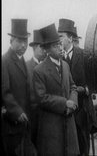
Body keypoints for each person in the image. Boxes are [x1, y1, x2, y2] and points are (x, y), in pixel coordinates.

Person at [33, 23, 83, 156]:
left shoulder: (65, 66)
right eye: (56, 46)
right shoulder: (39, 70)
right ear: (48, 50)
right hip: (52, 126)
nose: (60, 48)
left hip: (69, 122)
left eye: (60, 44)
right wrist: (64, 103)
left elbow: (73, 86)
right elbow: (41, 97)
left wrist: (73, 102)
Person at [58, 18, 97, 156]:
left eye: (61, 37)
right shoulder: (57, 58)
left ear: (70, 38)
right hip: (66, 109)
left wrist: (86, 89)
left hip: (83, 108)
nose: (59, 40)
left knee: (83, 144)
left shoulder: (84, 55)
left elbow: (93, 80)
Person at [2, 19, 31, 156]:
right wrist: (17, 112)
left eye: (25, 40)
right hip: (12, 125)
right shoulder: (5, 61)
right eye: (19, 41)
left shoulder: (22, 60)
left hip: (23, 124)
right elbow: (5, 92)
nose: (24, 45)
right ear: (11, 41)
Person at [26, 30, 46, 146]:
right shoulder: (26, 67)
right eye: (41, 47)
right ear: (34, 48)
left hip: (48, 117)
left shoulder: (49, 65)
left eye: (45, 47)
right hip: (33, 117)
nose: (44, 50)